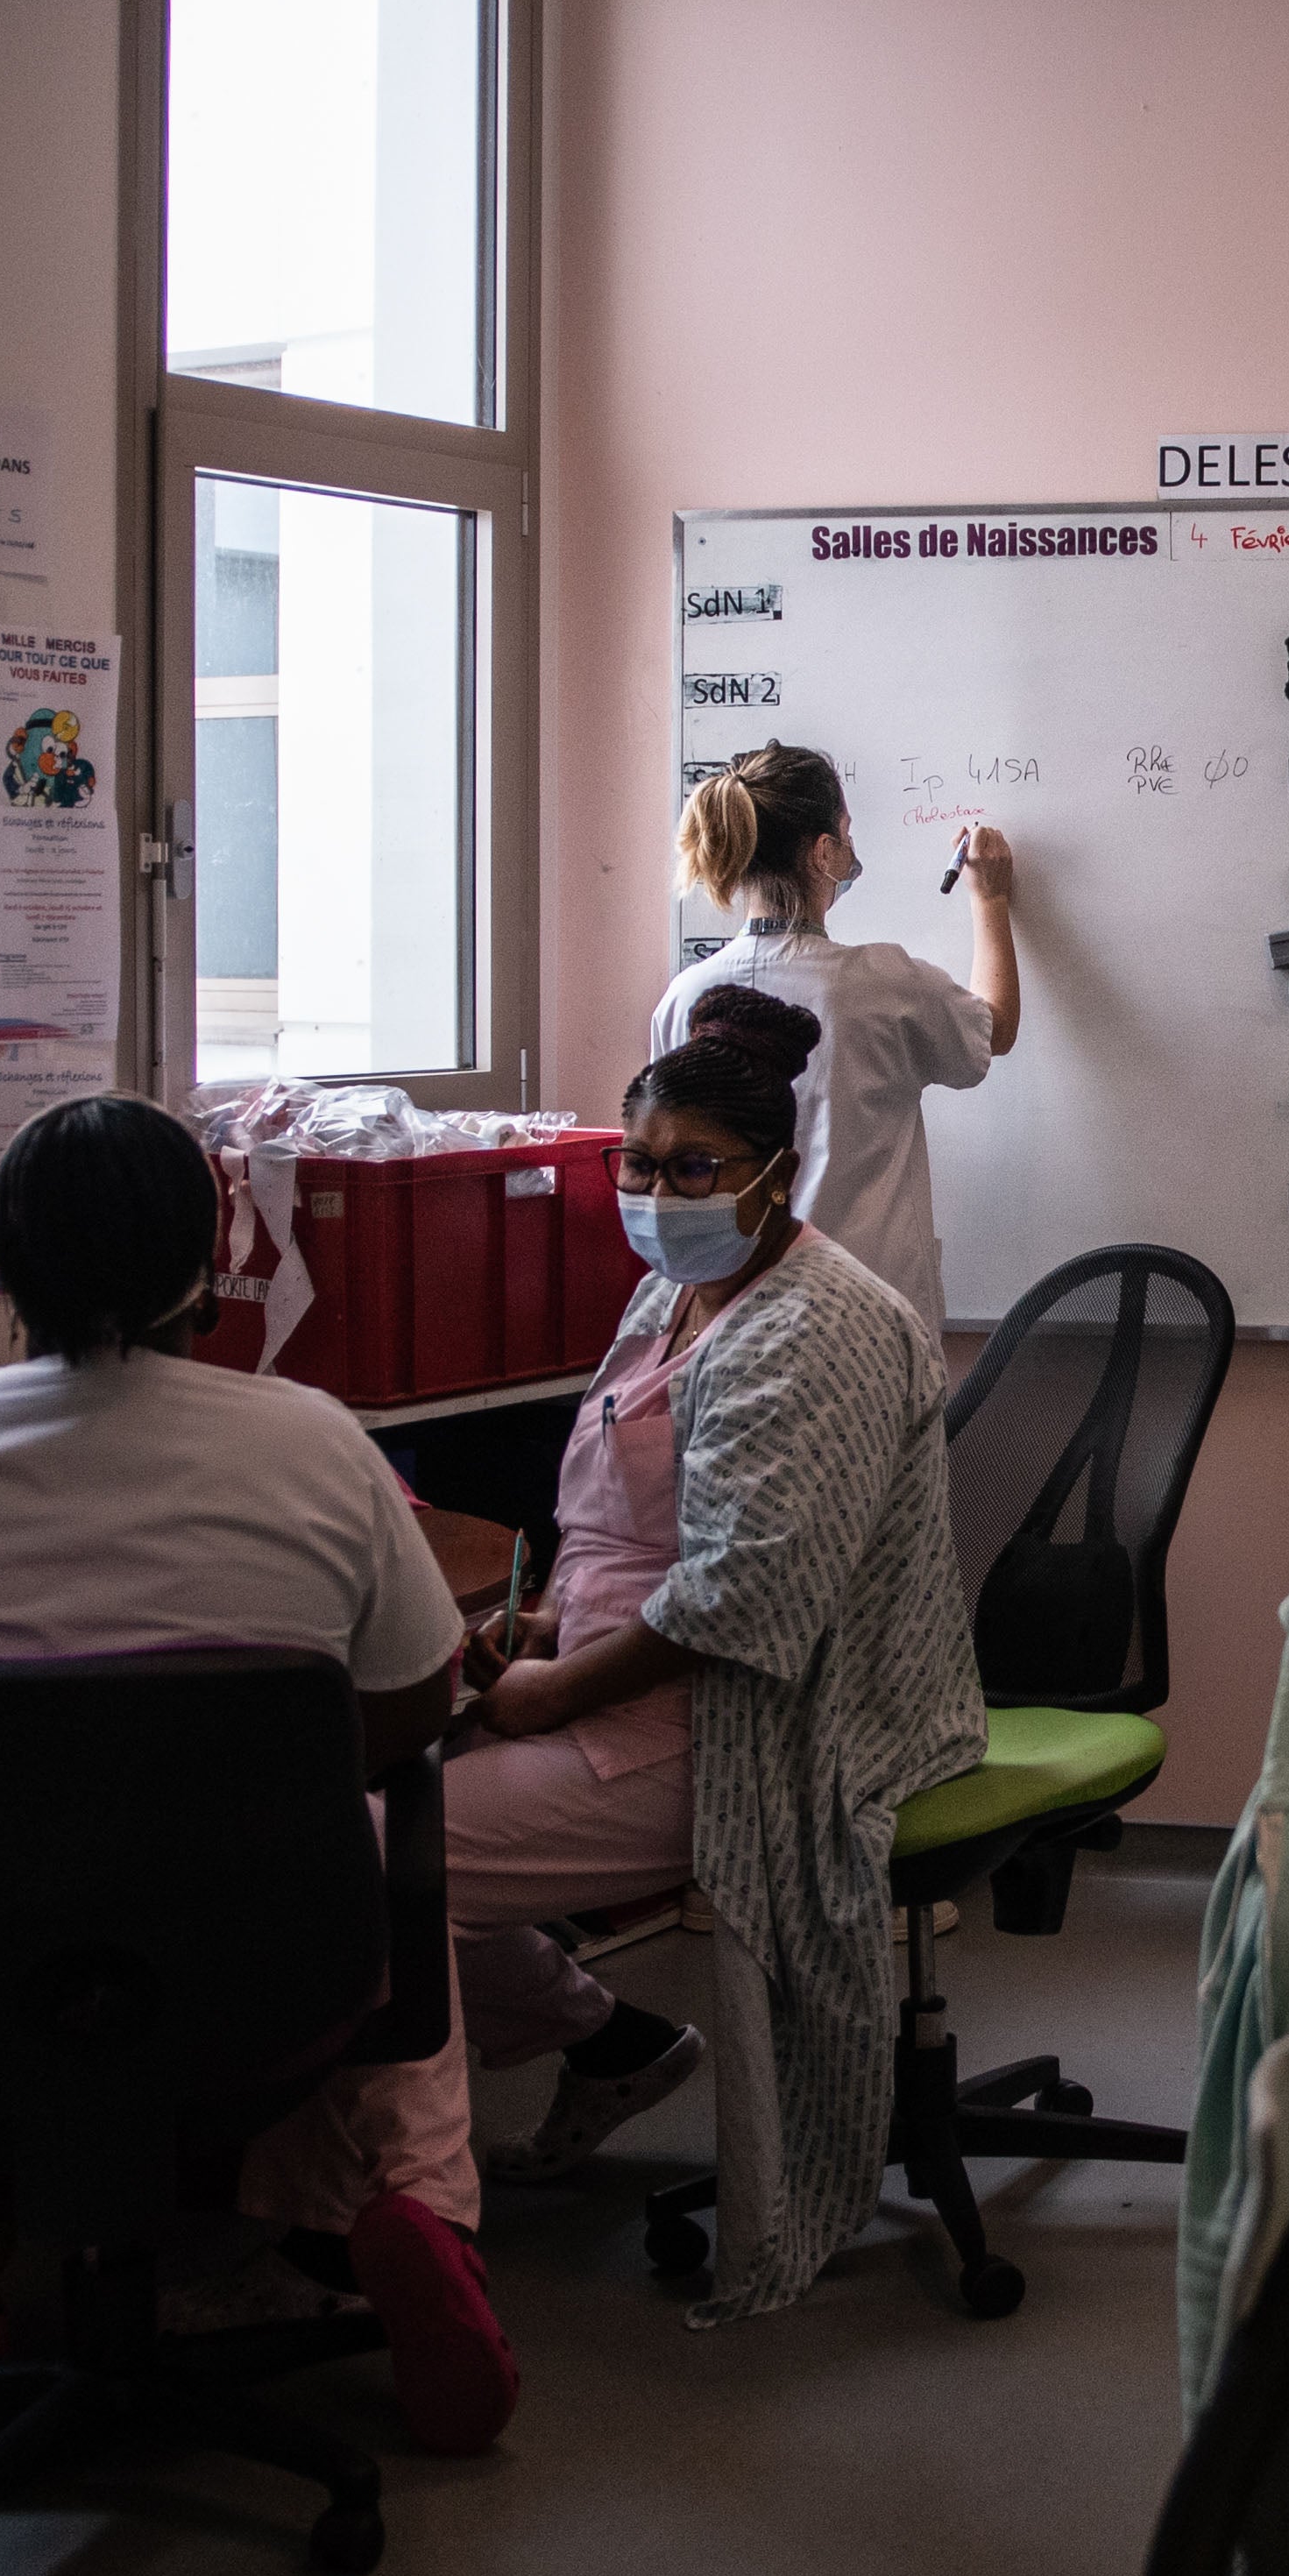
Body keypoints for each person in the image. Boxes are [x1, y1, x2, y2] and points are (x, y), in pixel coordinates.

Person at [0, 1093, 517, 2453]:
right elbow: (410, 1712)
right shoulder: (314, 1443)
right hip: (263, 1975)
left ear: (5, 1272)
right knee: (377, 1823)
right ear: (210, 1268)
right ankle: (416, 2210)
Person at [443, 987, 992, 2320]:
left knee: (368, 1858)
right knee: (356, 1820)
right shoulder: (674, 1291)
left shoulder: (817, 1328)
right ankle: (604, 2037)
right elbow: (621, 1514)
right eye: (638, 1164)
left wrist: (549, 1691)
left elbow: (746, 1597)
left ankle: (399, 2212)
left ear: (777, 1173)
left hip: (751, 1721)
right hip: (619, 1671)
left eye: (694, 1168)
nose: (655, 1191)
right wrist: (532, 1622)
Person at [656, 741, 1020, 1332]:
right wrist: (993, 898)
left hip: (733, 1320)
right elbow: (995, 1028)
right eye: (847, 834)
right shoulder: (882, 984)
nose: (853, 851)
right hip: (867, 1322)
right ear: (824, 852)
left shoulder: (683, 999)